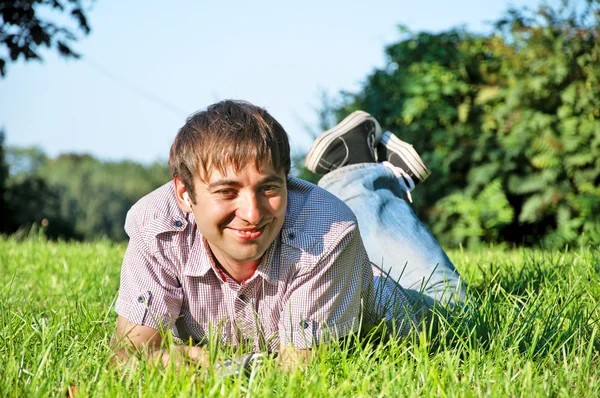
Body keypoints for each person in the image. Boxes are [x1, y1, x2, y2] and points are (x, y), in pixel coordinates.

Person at [112, 100, 465, 367]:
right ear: (185, 195)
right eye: (226, 192)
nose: (251, 214)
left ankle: (365, 175)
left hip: (381, 305)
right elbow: (129, 354)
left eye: (268, 187)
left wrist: (201, 367)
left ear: (288, 180)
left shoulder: (328, 231)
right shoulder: (156, 226)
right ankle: (353, 165)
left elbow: (298, 374)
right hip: (319, 251)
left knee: (451, 304)